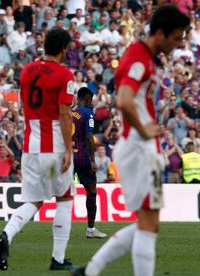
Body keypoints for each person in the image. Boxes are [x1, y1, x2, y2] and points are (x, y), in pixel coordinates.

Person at [72, 6, 190, 276]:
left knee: (149, 224)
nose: (179, 44)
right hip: (140, 149)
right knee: (148, 226)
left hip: (146, 149)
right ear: (160, 33)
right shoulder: (138, 58)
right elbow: (124, 100)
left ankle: (90, 270)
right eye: (176, 37)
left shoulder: (146, 57)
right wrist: (145, 128)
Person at [0, 28, 75, 271]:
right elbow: (63, 114)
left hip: (30, 145)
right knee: (65, 198)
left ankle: (6, 234)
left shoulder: (27, 71)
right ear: (63, 49)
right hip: (54, 146)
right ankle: (57, 259)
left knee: (34, 201)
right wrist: (69, 150)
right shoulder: (65, 75)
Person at [72, 87, 106, 238]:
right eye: (90, 101)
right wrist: (93, 160)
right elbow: (89, 136)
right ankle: (91, 229)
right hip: (83, 158)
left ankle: (60, 227)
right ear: (86, 100)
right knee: (91, 192)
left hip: (69, 157)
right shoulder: (88, 113)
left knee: (63, 194)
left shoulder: (70, 113)